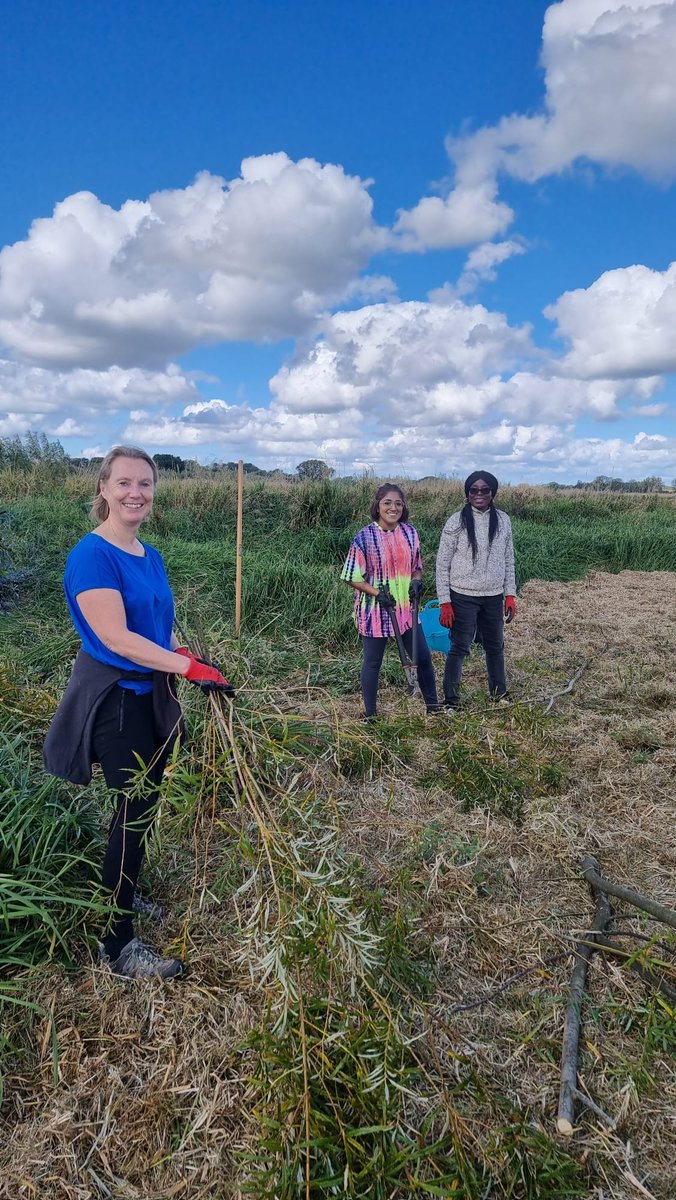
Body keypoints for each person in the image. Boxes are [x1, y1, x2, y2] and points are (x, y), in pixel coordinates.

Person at [44, 446, 234, 980]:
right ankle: (117, 945)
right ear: (103, 488)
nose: (136, 493)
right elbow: (116, 637)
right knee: (134, 811)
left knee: (141, 808)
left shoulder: (147, 554)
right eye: (124, 482)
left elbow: (155, 628)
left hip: (150, 693)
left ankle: (120, 890)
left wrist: (185, 655)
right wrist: (186, 668)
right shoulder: (93, 556)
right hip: (117, 701)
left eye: (145, 484)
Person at [341, 483, 439, 719]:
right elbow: (351, 576)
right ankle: (371, 715)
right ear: (378, 506)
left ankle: (433, 708)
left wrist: (416, 581)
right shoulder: (364, 537)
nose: (393, 508)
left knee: (423, 657)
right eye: (387, 503)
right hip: (375, 610)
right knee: (373, 662)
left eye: (398, 503)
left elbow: (417, 566)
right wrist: (377, 593)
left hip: (405, 608)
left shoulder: (410, 533)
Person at [435, 471, 516, 709]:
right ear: (467, 493)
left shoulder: (503, 520)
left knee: (495, 647)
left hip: (493, 595)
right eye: (474, 490)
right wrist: (445, 601)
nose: (479, 494)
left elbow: (509, 560)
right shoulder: (456, 521)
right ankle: (451, 701)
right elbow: (442, 564)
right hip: (462, 595)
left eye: (485, 490)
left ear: (493, 492)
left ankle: (499, 694)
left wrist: (510, 594)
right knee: (459, 647)